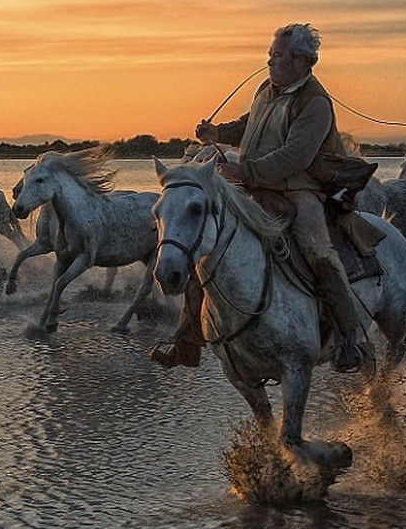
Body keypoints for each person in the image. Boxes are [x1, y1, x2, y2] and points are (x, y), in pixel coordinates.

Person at [150, 23, 370, 372]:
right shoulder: (267, 89)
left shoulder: (315, 103)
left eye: (277, 56)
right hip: (256, 188)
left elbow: (295, 156)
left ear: (301, 60)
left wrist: (244, 173)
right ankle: (186, 342)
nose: (269, 62)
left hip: (301, 191)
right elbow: (248, 124)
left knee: (319, 254)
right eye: (270, 55)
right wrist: (217, 133)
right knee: (205, 246)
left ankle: (349, 341)